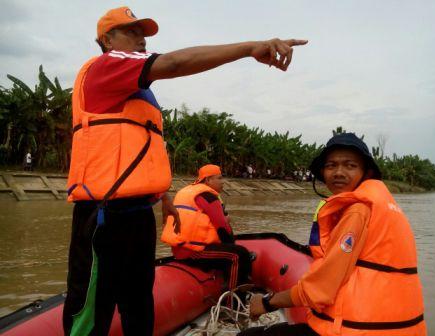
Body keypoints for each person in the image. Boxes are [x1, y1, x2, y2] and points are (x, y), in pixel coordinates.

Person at [63, 6, 307, 336]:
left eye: (143, 34)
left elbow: (132, 150)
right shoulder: (106, 68)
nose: (141, 40)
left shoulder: (136, 91)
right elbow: (176, 63)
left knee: (138, 305)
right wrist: (251, 47)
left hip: (138, 215)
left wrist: (161, 197)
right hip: (104, 218)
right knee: (91, 311)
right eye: (131, 32)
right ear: (106, 39)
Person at [241, 133, 426, 336]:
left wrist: (268, 302)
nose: (339, 172)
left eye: (350, 165)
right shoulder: (384, 206)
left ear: (367, 172)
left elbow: (321, 288)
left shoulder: (358, 211)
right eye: (331, 165)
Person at [161, 164, 251, 291]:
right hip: (194, 252)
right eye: (219, 178)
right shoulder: (208, 196)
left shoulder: (188, 192)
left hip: (181, 249)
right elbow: (222, 228)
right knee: (239, 254)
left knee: (232, 251)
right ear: (208, 180)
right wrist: (232, 246)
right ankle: (233, 302)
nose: (223, 182)